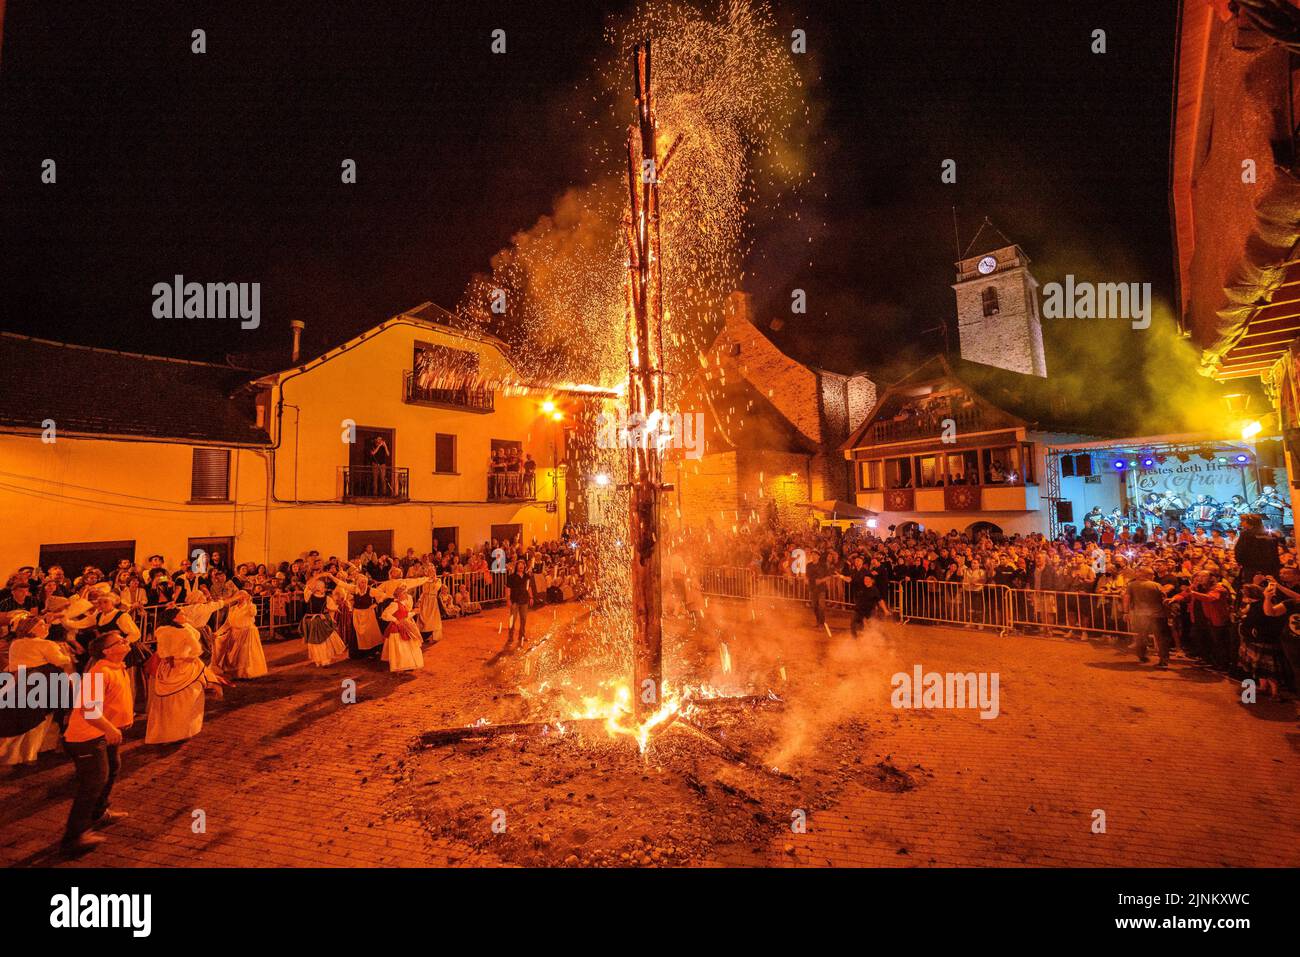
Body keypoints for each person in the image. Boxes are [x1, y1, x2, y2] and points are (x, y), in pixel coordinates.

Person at [61, 630, 134, 855]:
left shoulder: (116, 667)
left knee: (112, 769)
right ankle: (74, 837)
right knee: (93, 782)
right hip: (87, 737)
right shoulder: (100, 673)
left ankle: (99, 813)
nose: (125, 641)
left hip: (104, 734)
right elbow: (89, 710)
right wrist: (111, 728)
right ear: (107, 651)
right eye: (119, 641)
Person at [146, 606, 227, 744]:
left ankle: (167, 731)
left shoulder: (161, 631)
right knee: (185, 700)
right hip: (183, 665)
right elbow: (196, 649)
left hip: (169, 667)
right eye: (181, 614)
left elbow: (163, 652)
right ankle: (181, 730)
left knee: (168, 702)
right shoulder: (185, 632)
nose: (184, 615)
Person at [0, 614, 72, 766]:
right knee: (43, 718)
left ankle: (18, 753)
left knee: (20, 717)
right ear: (30, 629)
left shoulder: (16, 643)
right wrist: (66, 655)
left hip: (16, 680)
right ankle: (33, 752)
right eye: (41, 625)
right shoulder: (47, 644)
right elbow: (61, 660)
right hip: (43, 681)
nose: (45, 627)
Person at [212, 590, 268, 679]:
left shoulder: (251, 606)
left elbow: (253, 613)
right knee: (233, 655)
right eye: (238, 595)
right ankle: (236, 673)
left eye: (242, 595)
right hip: (235, 633)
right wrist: (217, 632)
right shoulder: (232, 609)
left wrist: (249, 603)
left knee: (245, 654)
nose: (240, 597)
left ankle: (247, 674)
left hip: (247, 633)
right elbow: (228, 623)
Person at [1124, 568, 1170, 667]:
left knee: (1141, 636)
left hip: (1140, 615)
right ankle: (1164, 660)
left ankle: (1142, 656)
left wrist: (1125, 612)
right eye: (1152, 574)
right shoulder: (1156, 585)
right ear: (1148, 575)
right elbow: (1164, 598)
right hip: (1157, 615)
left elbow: (1126, 598)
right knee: (1161, 638)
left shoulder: (1131, 585)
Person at [380, 585, 425, 672]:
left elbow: (405, 616)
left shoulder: (402, 604)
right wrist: (395, 620)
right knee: (400, 648)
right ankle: (399, 666)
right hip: (397, 629)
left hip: (404, 626)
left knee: (406, 646)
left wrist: (414, 612)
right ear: (399, 595)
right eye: (404, 593)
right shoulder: (394, 604)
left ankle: (406, 665)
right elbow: (385, 615)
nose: (406, 595)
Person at [504, 559, 535, 650]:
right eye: (519, 564)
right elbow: (508, 588)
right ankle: (510, 637)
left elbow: (529, 588)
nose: (521, 566)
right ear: (516, 566)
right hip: (515, 601)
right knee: (512, 620)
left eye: (522, 565)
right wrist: (508, 599)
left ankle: (521, 636)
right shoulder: (511, 577)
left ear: (524, 566)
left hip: (524, 600)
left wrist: (531, 597)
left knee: (523, 619)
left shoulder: (527, 577)